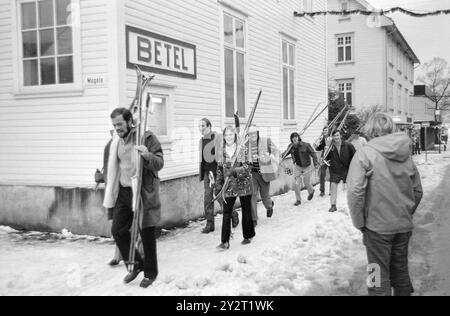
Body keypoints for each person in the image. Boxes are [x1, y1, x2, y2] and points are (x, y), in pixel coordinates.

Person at [347, 113, 423, 296]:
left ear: (371, 131)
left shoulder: (365, 153)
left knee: (376, 276)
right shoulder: (405, 154)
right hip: (403, 226)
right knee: (401, 272)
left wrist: (360, 222)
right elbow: (418, 191)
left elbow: (355, 192)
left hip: (376, 227)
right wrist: (405, 212)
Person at [103, 107, 164, 288]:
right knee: (118, 230)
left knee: (146, 232)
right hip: (123, 191)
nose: (117, 128)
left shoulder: (146, 137)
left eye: (120, 124)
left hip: (143, 191)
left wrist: (147, 155)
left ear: (130, 122)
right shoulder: (116, 141)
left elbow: (159, 162)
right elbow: (112, 165)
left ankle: (151, 273)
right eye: (114, 125)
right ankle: (136, 264)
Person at [215, 126, 255, 250]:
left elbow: (248, 167)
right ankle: (225, 242)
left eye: (231, 135)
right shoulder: (221, 151)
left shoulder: (242, 149)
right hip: (229, 186)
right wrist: (218, 186)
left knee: (246, 210)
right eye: (226, 135)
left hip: (244, 184)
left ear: (235, 136)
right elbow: (219, 170)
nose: (228, 137)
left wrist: (235, 170)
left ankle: (248, 235)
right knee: (226, 213)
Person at [95, 130, 123, 267]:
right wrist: (101, 177)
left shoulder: (125, 145)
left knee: (128, 226)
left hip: (125, 191)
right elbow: (109, 170)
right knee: (118, 227)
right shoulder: (109, 147)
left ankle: (136, 255)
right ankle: (118, 256)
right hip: (113, 193)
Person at [247, 126, 279, 226]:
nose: (252, 135)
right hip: (252, 174)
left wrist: (275, 160)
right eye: (250, 134)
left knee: (265, 196)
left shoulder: (266, 141)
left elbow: (276, 151)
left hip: (264, 173)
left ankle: (269, 206)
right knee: (252, 195)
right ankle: (254, 219)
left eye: (254, 133)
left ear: (257, 133)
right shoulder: (245, 145)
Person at [324, 130, 356, 213]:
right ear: (332, 137)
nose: (336, 137)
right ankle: (333, 205)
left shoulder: (348, 145)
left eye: (337, 135)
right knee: (333, 186)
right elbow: (325, 159)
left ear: (340, 136)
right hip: (335, 170)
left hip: (347, 169)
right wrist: (326, 148)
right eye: (334, 136)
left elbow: (355, 156)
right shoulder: (330, 147)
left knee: (351, 188)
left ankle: (355, 204)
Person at [283, 132, 318, 206]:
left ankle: (311, 191)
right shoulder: (291, 147)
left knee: (307, 183)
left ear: (298, 138)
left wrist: (316, 163)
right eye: (293, 138)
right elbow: (285, 153)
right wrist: (279, 157)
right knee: (296, 184)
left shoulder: (306, 145)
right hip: (298, 167)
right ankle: (298, 200)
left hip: (307, 167)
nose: (294, 138)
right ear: (291, 139)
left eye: (296, 137)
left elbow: (313, 154)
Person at [199, 118, 219, 234]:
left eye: (203, 126)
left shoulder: (217, 138)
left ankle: (233, 214)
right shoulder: (201, 141)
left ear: (209, 126)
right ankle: (210, 224)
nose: (201, 129)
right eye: (199, 126)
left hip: (217, 172)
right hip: (207, 173)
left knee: (220, 196)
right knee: (207, 198)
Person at [315, 127, 330, 197]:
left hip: (332, 158)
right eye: (324, 130)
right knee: (322, 174)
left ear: (329, 131)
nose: (325, 131)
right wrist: (315, 146)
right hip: (324, 158)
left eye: (326, 130)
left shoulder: (332, 138)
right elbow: (319, 148)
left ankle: (332, 190)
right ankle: (322, 191)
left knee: (332, 175)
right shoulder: (322, 139)